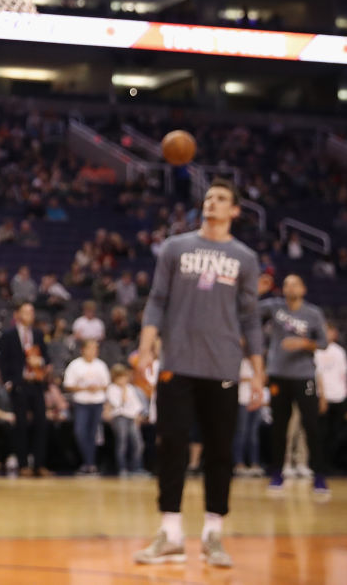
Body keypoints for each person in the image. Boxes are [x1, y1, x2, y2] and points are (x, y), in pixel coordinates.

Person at [133, 178, 264, 569]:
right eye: (209, 197)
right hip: (177, 363)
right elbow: (156, 301)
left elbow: (251, 319)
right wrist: (144, 348)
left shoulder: (245, 258)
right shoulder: (175, 247)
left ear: (235, 211)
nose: (212, 203)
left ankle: (213, 535)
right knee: (171, 446)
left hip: (223, 366)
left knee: (220, 452)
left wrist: (257, 373)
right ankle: (170, 533)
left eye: (222, 199)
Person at [259, 274, 329, 496]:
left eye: (295, 283)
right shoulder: (273, 306)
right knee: (279, 426)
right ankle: (277, 473)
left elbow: (324, 343)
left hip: (304, 376)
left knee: (311, 426)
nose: (291, 287)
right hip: (278, 375)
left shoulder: (313, 313)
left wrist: (304, 343)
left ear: (303, 289)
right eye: (287, 283)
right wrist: (258, 291)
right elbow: (246, 310)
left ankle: (318, 476)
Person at [0, 301, 50, 477]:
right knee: (20, 425)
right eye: (26, 311)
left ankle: (40, 464)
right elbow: (2, 361)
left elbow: (46, 358)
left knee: (41, 424)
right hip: (19, 385)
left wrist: (40, 363)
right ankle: (23, 465)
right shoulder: (8, 335)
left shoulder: (38, 334)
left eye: (32, 311)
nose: (30, 315)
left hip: (36, 384)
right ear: (17, 314)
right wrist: (9, 383)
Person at [63, 340, 110, 475]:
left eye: (95, 349)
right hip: (81, 403)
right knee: (80, 432)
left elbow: (106, 384)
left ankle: (90, 464)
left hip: (97, 402)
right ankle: (89, 462)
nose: (93, 351)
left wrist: (97, 388)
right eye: (90, 348)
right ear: (83, 349)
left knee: (94, 434)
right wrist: (84, 387)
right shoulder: (75, 365)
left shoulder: (101, 365)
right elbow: (68, 385)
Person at [315, 325, 347, 473]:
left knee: (336, 433)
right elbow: (317, 374)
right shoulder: (316, 349)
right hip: (322, 397)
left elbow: (344, 375)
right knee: (321, 433)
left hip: (339, 397)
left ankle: (330, 465)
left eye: (331, 330)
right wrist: (322, 396)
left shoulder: (339, 351)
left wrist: (346, 402)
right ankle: (319, 465)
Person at [104, 363, 146, 476]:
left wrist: (138, 415)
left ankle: (136, 467)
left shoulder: (131, 388)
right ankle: (122, 468)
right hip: (120, 418)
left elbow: (137, 405)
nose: (124, 380)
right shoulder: (111, 389)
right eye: (121, 377)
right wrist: (123, 391)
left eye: (125, 377)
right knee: (122, 443)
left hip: (132, 418)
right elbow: (119, 404)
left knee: (138, 443)